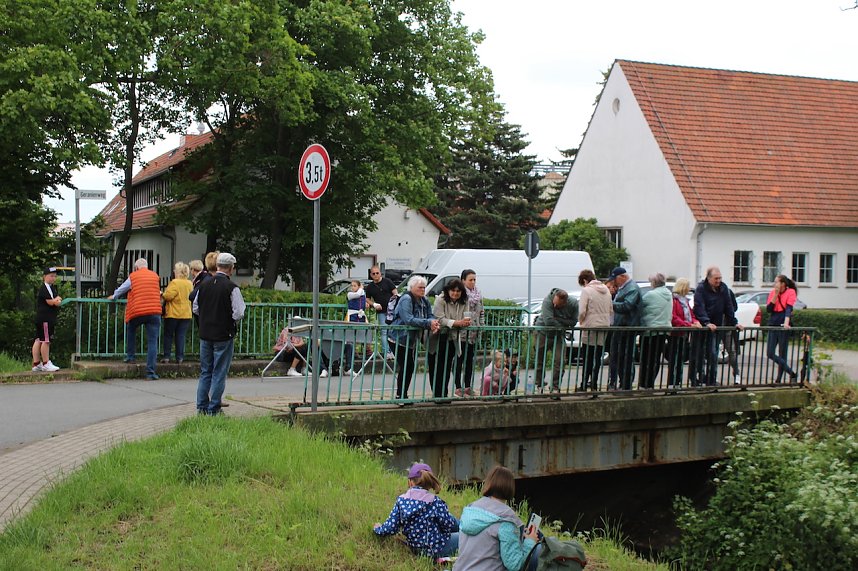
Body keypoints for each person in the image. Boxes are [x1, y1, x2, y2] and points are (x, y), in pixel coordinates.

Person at [454, 465, 540, 571]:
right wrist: (530, 542)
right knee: (539, 550)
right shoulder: (506, 519)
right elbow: (515, 565)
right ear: (510, 487)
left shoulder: (470, 510)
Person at [193, 253, 246, 415]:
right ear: (231, 268)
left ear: (217, 266)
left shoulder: (203, 285)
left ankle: (201, 406)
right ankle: (214, 408)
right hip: (223, 334)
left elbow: (195, 308)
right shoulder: (231, 287)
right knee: (219, 372)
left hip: (205, 333)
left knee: (205, 371)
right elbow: (239, 312)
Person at [374, 463, 459, 559]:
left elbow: (390, 528)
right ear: (430, 483)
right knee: (464, 536)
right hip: (436, 548)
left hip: (415, 548)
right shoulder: (435, 502)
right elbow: (448, 525)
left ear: (410, 482)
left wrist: (378, 529)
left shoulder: (401, 501)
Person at [108, 258, 162, 380]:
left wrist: (114, 296)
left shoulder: (134, 276)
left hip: (138, 310)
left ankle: (130, 356)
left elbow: (123, 288)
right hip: (154, 311)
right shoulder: (155, 276)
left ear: (136, 268)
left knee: (131, 328)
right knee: (153, 342)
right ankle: (150, 372)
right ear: (147, 267)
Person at [388, 275, 440, 400]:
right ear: (412, 288)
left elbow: (430, 314)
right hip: (399, 338)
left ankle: (402, 394)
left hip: (412, 339)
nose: (422, 290)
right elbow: (408, 319)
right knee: (407, 366)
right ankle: (401, 395)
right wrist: (428, 323)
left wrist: (433, 322)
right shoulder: (406, 299)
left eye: (424, 287)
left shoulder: (424, 300)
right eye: (420, 288)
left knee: (409, 366)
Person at [692, 266, 743, 386]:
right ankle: (699, 378)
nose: (718, 281)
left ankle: (711, 379)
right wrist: (706, 322)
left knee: (713, 353)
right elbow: (699, 307)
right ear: (709, 278)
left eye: (720, 278)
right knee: (700, 353)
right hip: (705, 326)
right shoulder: (701, 289)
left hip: (717, 325)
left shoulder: (723, 288)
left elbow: (729, 307)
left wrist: (734, 322)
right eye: (716, 278)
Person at [429, 279, 471, 399]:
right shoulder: (440, 299)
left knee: (447, 367)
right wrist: (456, 322)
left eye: (458, 291)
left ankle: (444, 394)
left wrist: (465, 322)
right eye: (453, 290)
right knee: (437, 367)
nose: (455, 293)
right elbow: (439, 319)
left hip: (453, 337)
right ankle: (438, 395)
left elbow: (466, 316)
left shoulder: (464, 301)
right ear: (448, 290)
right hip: (438, 336)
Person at [534, 288, 578, 392]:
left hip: (558, 335)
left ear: (565, 303)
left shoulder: (573, 304)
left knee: (560, 361)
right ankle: (539, 384)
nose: (554, 306)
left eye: (557, 306)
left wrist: (557, 320)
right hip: (543, 332)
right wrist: (563, 324)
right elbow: (548, 321)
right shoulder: (547, 300)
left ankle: (555, 386)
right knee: (539, 360)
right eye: (554, 303)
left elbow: (573, 322)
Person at [576, 269, 612, 391]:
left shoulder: (587, 291)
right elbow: (611, 309)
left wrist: (581, 321)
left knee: (588, 356)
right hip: (604, 326)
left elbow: (581, 311)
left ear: (585, 280)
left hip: (590, 326)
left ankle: (584, 383)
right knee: (597, 356)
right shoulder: (606, 290)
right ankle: (594, 384)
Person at [609, 267, 642, 390]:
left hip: (627, 327)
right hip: (621, 327)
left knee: (626, 357)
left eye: (615, 279)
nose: (614, 282)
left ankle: (626, 384)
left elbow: (628, 305)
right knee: (619, 356)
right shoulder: (625, 288)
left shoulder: (632, 288)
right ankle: (622, 383)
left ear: (623, 277)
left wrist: (611, 304)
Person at [639, 273, 672, 389]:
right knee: (656, 359)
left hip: (650, 330)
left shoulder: (650, 295)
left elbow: (640, 306)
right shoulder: (669, 293)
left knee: (646, 358)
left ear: (654, 283)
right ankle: (650, 383)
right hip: (664, 330)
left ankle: (644, 383)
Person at [666, 278, 701, 388]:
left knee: (680, 359)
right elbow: (674, 317)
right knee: (674, 360)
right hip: (676, 334)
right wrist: (688, 325)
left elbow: (691, 315)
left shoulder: (684, 301)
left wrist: (695, 322)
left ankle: (678, 383)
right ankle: (672, 384)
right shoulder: (674, 300)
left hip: (684, 334)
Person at [766, 274, 799, 383]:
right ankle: (792, 373)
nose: (774, 284)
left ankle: (779, 379)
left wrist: (786, 323)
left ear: (783, 284)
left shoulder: (790, 292)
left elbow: (788, 309)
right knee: (770, 353)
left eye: (776, 282)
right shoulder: (772, 293)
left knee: (782, 353)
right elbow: (769, 309)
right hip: (773, 324)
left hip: (783, 324)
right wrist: (775, 295)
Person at [458, 269, 484, 397]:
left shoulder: (478, 294)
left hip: (473, 332)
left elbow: (481, 312)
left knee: (469, 361)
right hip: (462, 333)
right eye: (470, 280)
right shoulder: (460, 293)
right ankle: (458, 387)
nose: (473, 282)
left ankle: (467, 387)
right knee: (459, 360)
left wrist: (482, 326)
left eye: (474, 279)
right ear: (463, 281)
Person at [32, 266, 62, 372]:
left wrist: (56, 300)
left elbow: (56, 299)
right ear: (44, 276)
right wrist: (56, 301)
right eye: (51, 276)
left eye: (55, 276)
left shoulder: (52, 288)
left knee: (38, 339)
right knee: (46, 340)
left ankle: (36, 363)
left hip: (45, 317)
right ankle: (46, 363)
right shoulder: (44, 288)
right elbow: (51, 301)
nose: (53, 278)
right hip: (45, 318)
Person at [161, 262, 192, 364]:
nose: (173, 271)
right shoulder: (189, 283)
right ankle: (180, 357)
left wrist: (162, 293)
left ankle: (167, 356)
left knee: (168, 335)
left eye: (175, 269)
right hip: (186, 313)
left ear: (178, 272)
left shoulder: (175, 282)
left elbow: (168, 296)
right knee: (181, 335)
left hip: (173, 313)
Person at [365, 266, 398, 360]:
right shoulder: (370, 287)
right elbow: (367, 299)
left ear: (380, 273)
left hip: (392, 311)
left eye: (377, 273)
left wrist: (394, 303)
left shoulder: (387, 281)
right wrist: (373, 304)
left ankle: (394, 351)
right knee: (384, 331)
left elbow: (395, 293)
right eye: (373, 273)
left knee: (393, 331)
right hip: (381, 312)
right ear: (371, 275)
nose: (375, 275)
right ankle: (387, 352)